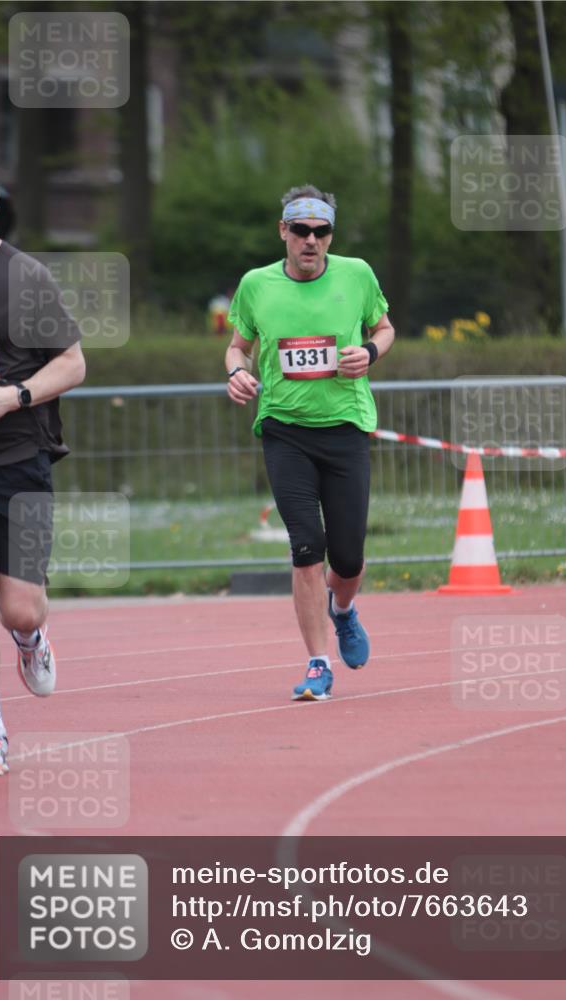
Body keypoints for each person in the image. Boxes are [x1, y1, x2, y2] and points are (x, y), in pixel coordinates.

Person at [226, 184, 395, 702]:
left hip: (345, 429)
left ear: (330, 237)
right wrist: (236, 374)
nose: (310, 241)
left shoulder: (357, 274)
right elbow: (238, 347)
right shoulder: (256, 285)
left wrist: (369, 351)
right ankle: (318, 664)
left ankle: (342, 610)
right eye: (300, 230)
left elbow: (386, 329)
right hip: (284, 432)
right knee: (306, 550)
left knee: (348, 558)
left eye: (320, 232)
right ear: (283, 231)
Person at [0, 165, 86, 774]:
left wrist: (14, 396)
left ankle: (30, 637)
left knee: (19, 607)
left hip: (20, 461)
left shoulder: (24, 276)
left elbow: (72, 364)